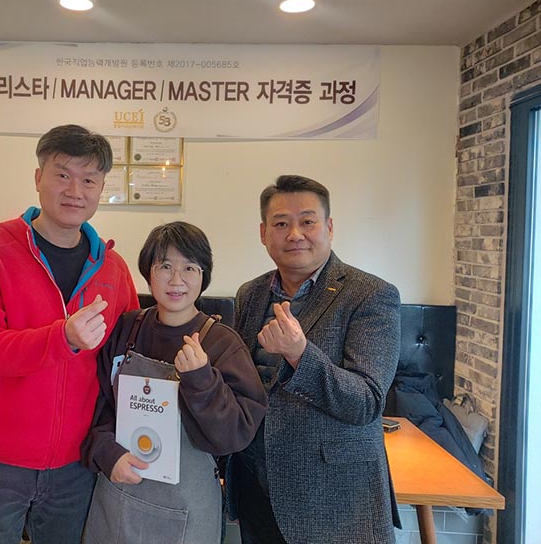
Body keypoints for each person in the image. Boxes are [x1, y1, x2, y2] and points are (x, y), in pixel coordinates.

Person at [0, 124, 139, 544]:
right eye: (62, 175)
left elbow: (126, 360)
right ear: (38, 178)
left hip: (75, 466)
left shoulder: (113, 269)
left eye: (89, 180)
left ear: (101, 189)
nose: (75, 190)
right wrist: (62, 338)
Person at [230, 175, 401, 544]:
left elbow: (367, 401)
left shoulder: (370, 295)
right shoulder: (251, 294)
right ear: (263, 233)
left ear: (329, 227)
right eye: (280, 224)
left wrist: (299, 354)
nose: (295, 234)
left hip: (333, 499)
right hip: (256, 487)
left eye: (307, 221)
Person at [81, 221, 267, 544]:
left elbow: (235, 435)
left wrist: (202, 380)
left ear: (203, 276)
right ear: (148, 273)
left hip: (188, 506)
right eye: (165, 266)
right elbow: (97, 405)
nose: (176, 280)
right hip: (120, 492)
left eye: (189, 268)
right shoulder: (127, 328)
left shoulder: (222, 344)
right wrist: (107, 453)